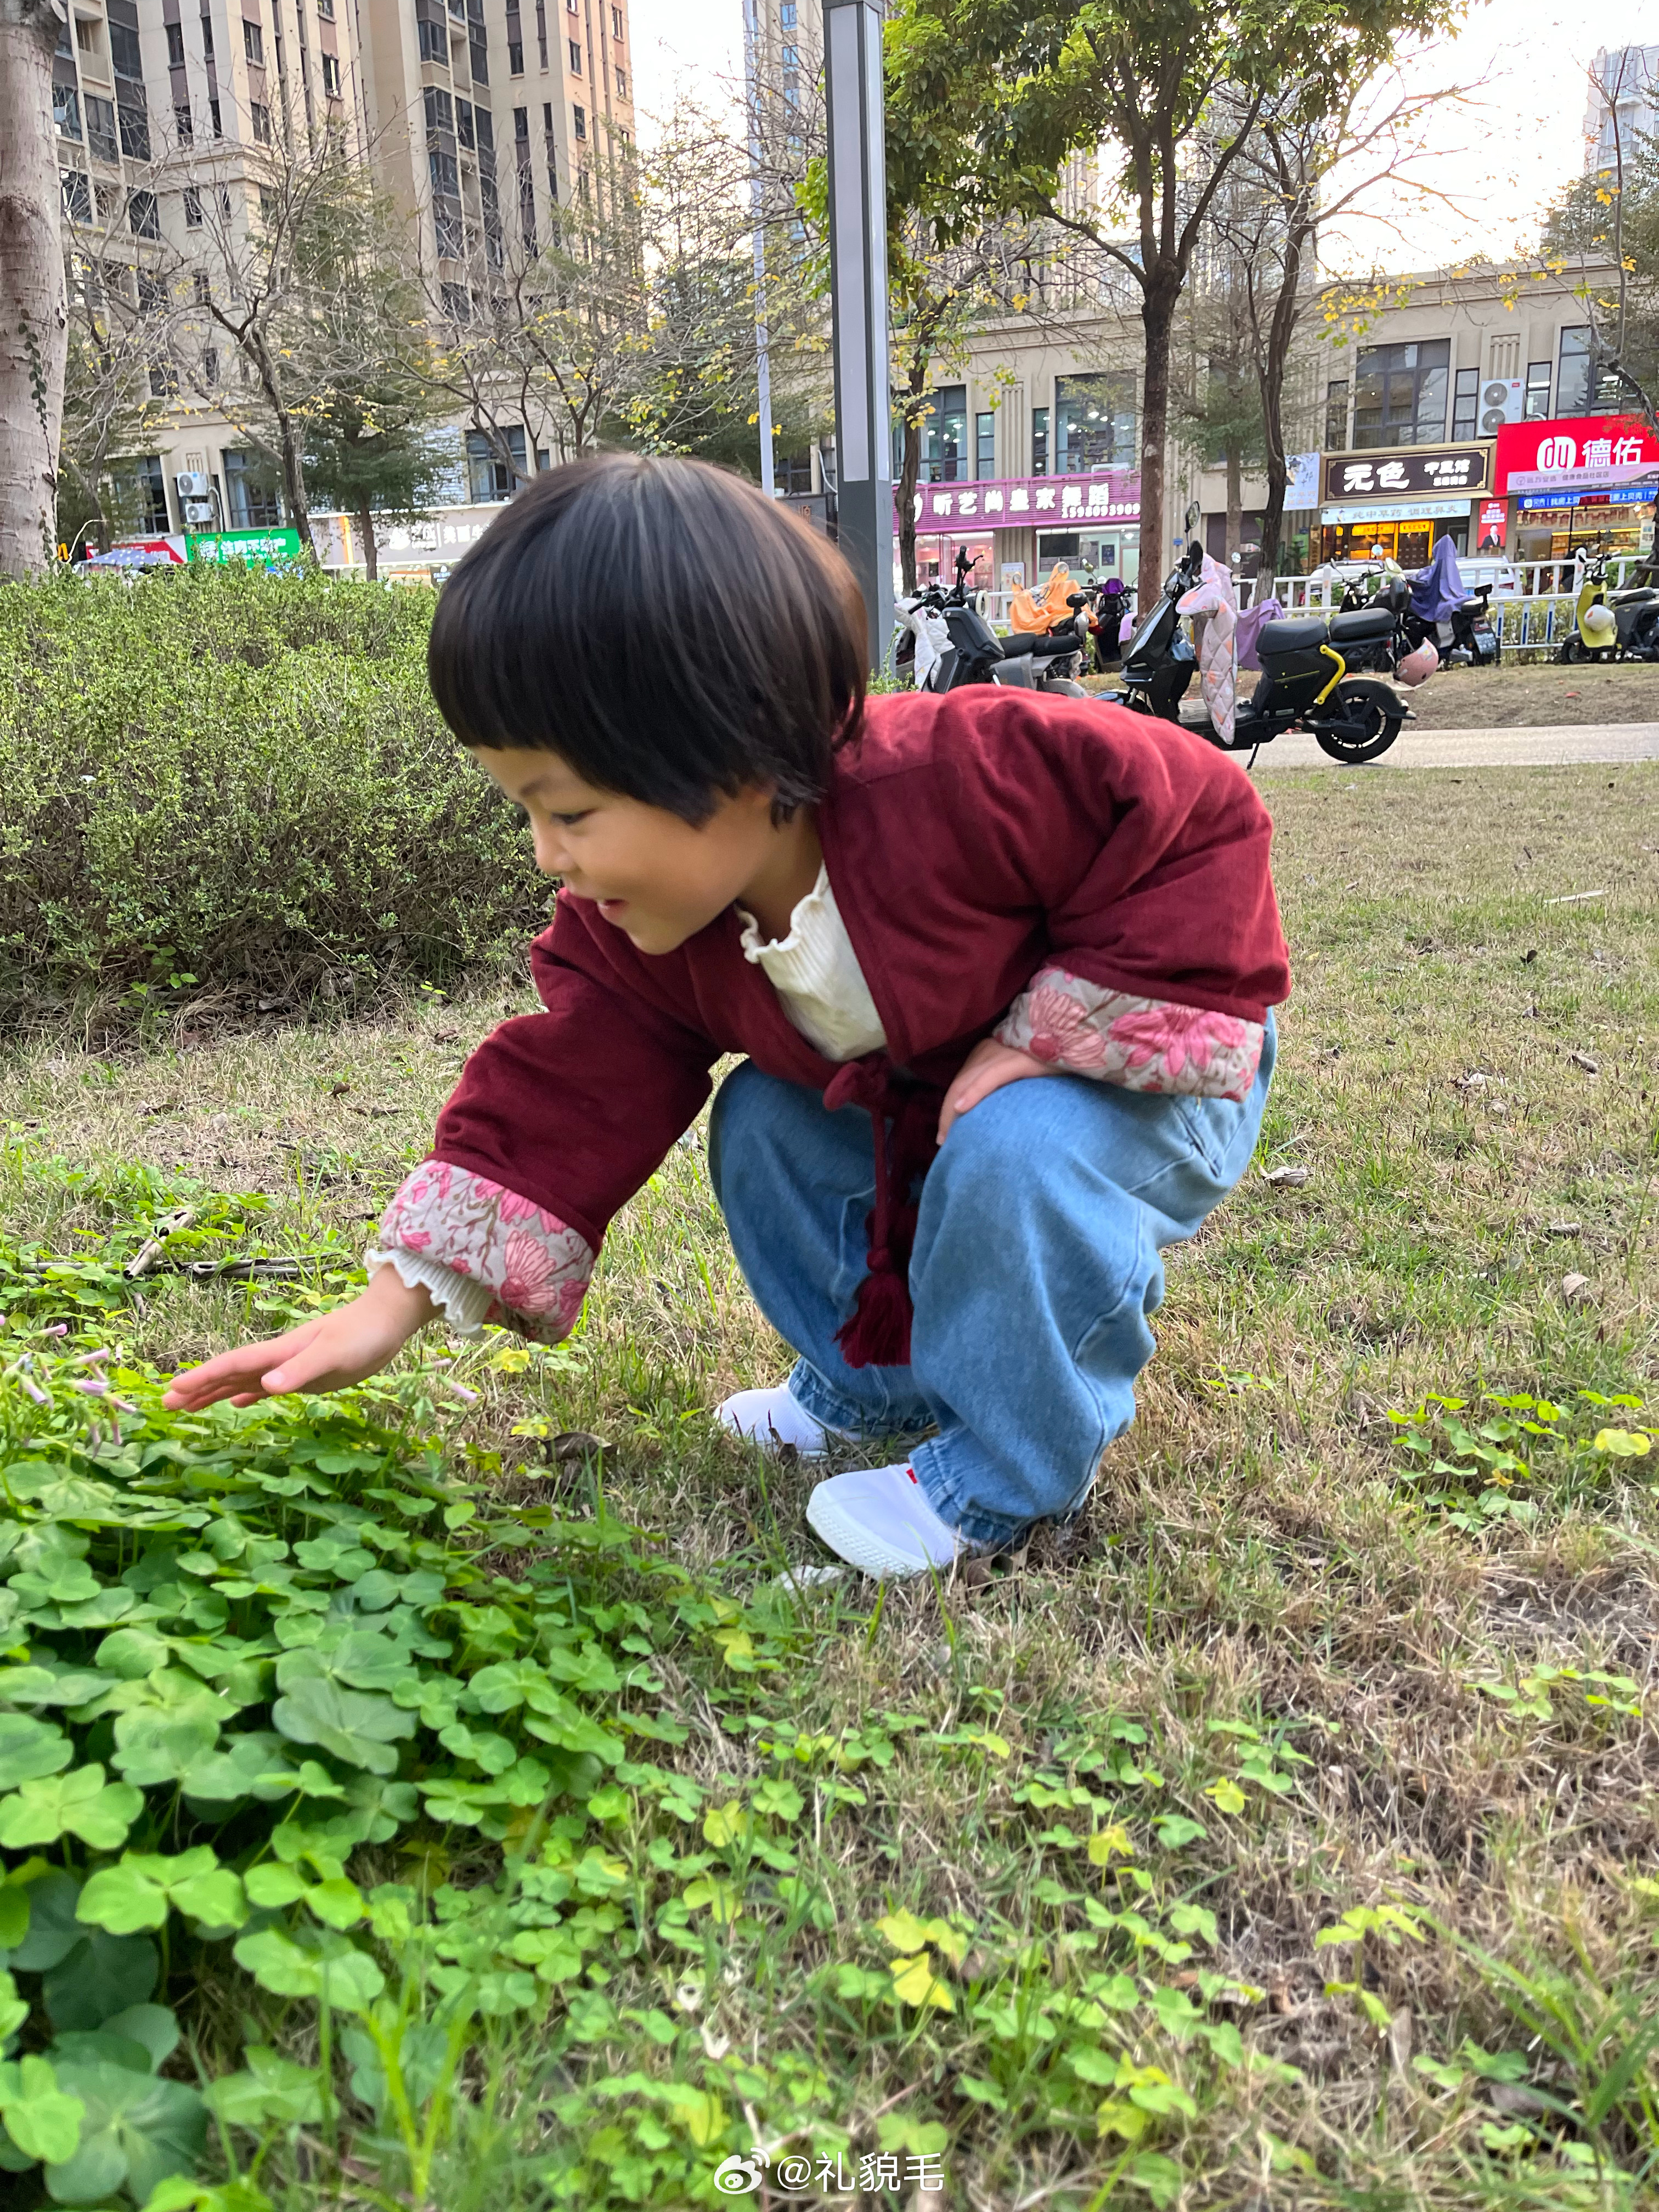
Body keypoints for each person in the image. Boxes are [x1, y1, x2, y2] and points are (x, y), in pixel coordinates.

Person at [163, 457, 1290, 1581]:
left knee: (1015, 1151)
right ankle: (875, 1387)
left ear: (740, 754)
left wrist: (1048, 1034)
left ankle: (1009, 1472)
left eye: (570, 812)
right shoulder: (641, 931)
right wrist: (392, 1304)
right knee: (763, 1118)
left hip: (1141, 1074)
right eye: (528, 814)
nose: (547, 856)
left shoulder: (964, 772)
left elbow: (1203, 815)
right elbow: (567, 1087)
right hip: (919, 1098)